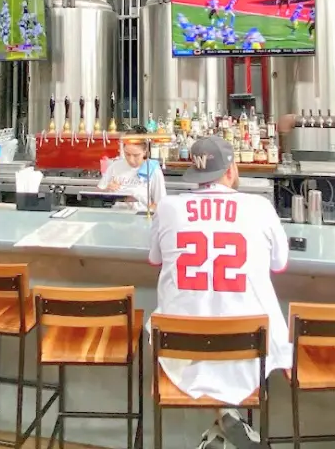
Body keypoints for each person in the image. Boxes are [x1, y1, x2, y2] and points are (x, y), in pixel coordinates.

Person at [149, 136, 290, 449]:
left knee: (183, 320)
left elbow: (154, 259)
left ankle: (219, 428)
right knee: (246, 319)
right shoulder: (260, 207)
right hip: (250, 353)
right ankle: (226, 423)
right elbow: (280, 264)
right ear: (231, 170)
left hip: (179, 353)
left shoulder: (169, 208)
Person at [99, 126, 167, 212]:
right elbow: (99, 193)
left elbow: (160, 203)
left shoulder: (152, 170)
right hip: (115, 219)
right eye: (127, 154)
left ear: (145, 151)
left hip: (141, 221)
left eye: (136, 155)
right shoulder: (114, 167)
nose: (131, 160)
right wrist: (107, 189)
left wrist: (145, 213)